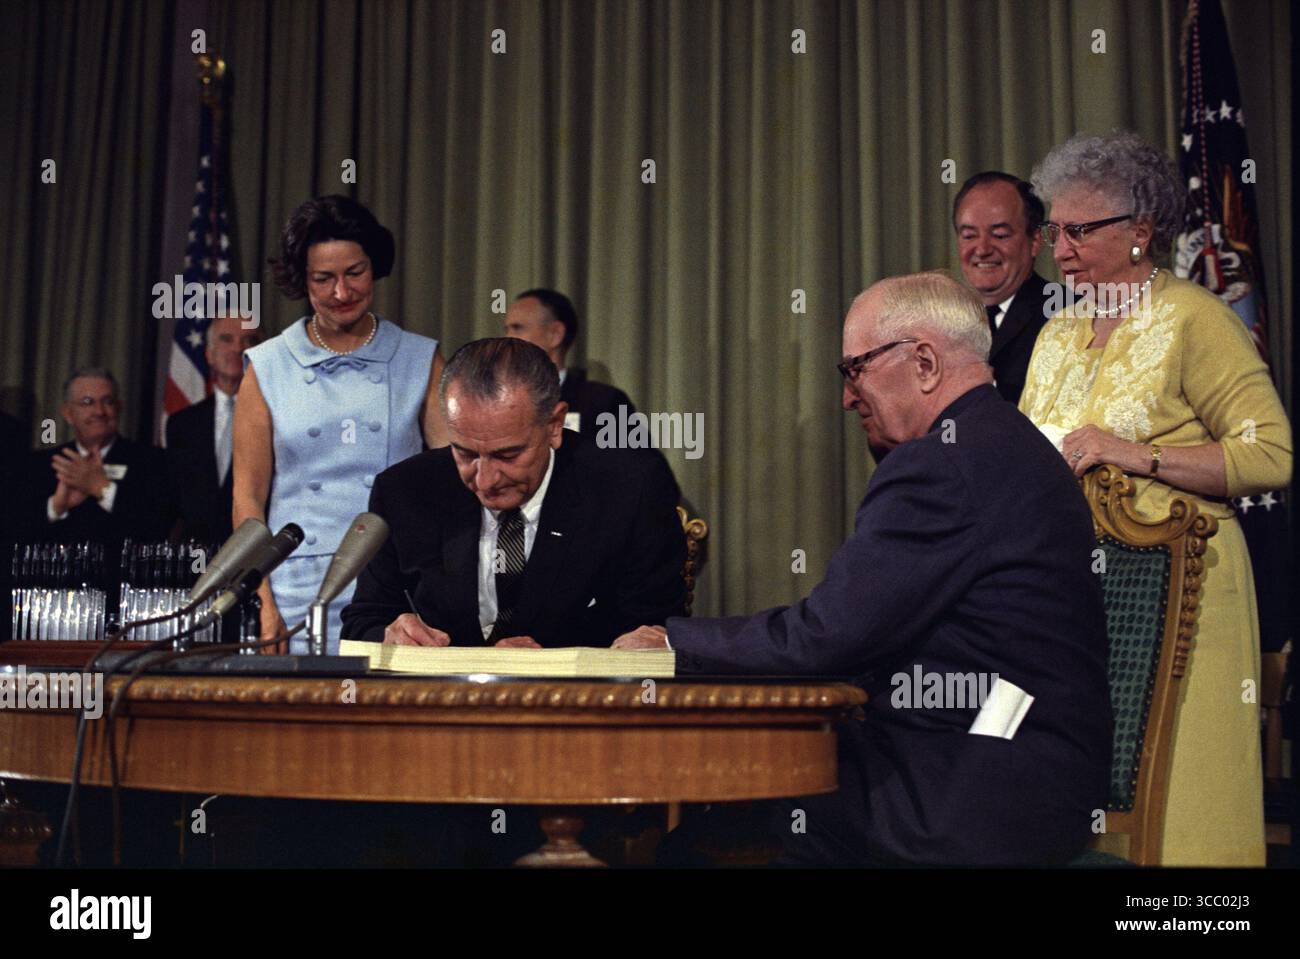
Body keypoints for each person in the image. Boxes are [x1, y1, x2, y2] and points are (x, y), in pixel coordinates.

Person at [616, 271, 1112, 866]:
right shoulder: (1010, 442)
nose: (848, 397)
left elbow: (827, 637)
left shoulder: (941, 466)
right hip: (1029, 779)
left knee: (719, 833)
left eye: (856, 368)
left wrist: (674, 642)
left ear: (924, 362)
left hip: (968, 793)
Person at [1019, 131, 1293, 866]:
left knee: (1184, 803)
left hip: (1188, 596)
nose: (1060, 248)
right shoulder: (1055, 334)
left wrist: (1139, 454)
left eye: (1080, 230)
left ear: (1140, 232)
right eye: (1053, 231)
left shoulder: (1195, 319)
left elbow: (1271, 453)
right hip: (1082, 600)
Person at [341, 337, 685, 648]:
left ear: (554, 425)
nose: (486, 479)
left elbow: (652, 630)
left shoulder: (629, 490)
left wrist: (549, 657)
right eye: (466, 453)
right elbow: (363, 621)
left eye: (508, 455)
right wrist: (390, 633)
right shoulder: (404, 491)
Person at [233, 195, 448, 654]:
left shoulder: (419, 358)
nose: (341, 292)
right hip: (294, 588)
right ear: (301, 280)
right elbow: (248, 496)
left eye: (355, 273)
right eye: (323, 279)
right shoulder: (267, 365)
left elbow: (453, 478)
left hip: (397, 587)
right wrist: (262, 599)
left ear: (375, 267)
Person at [20, 368, 172, 546]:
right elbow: (16, 535)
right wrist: (56, 508)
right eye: (87, 402)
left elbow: (159, 528)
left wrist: (103, 489)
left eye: (107, 402)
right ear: (68, 413)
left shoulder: (152, 461)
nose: (99, 411)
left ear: (119, 408)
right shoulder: (43, 464)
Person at [953, 171, 1056, 405]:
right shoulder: (941, 321)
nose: (982, 249)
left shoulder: (1066, 312)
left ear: (1035, 240)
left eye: (999, 235)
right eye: (969, 236)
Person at [166, 312, 266, 544]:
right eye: (226, 339)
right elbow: (175, 504)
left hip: (258, 554)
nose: (238, 349)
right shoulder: (181, 424)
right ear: (209, 354)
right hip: (197, 561)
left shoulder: (278, 417)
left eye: (249, 341)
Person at [503, 288, 635, 434]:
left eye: (517, 328)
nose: (508, 338)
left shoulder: (601, 403)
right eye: (507, 329)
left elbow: (639, 457)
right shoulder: (496, 397)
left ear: (555, 334)